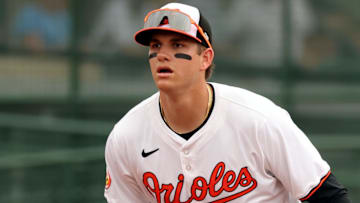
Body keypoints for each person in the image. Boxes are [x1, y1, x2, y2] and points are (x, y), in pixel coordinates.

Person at [104, 2, 351, 202]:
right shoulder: (126, 136)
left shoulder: (259, 119)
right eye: (156, 45)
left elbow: (329, 196)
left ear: (205, 58)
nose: (162, 55)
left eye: (177, 44)